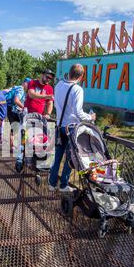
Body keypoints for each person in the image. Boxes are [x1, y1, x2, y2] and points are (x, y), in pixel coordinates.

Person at [48, 64, 96, 192]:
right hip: (71, 129)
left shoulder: (58, 86)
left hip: (59, 126)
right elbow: (78, 112)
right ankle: (63, 185)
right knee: (70, 158)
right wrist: (90, 117)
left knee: (58, 157)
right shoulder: (77, 89)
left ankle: (52, 183)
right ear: (81, 76)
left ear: (69, 73)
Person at [6, 77, 31, 152]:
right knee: (25, 128)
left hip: (9, 109)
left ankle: (12, 147)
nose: (29, 87)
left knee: (13, 129)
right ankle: (23, 147)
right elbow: (16, 100)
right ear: (25, 83)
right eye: (28, 85)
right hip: (16, 111)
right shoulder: (21, 89)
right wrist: (24, 108)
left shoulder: (15, 87)